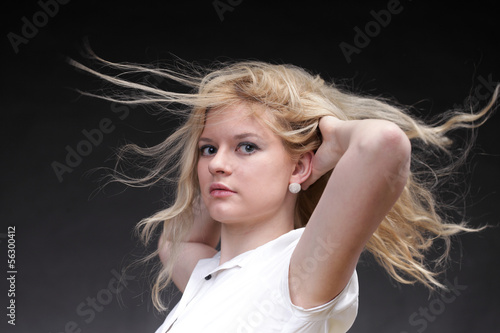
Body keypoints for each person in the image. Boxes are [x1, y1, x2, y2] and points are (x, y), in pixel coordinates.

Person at [71, 53, 497, 332]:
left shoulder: (298, 271)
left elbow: (383, 146)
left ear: (298, 166)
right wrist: (227, 155)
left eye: (247, 146)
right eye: (208, 149)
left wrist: (327, 136)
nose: (218, 163)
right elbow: (177, 239)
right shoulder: (205, 275)